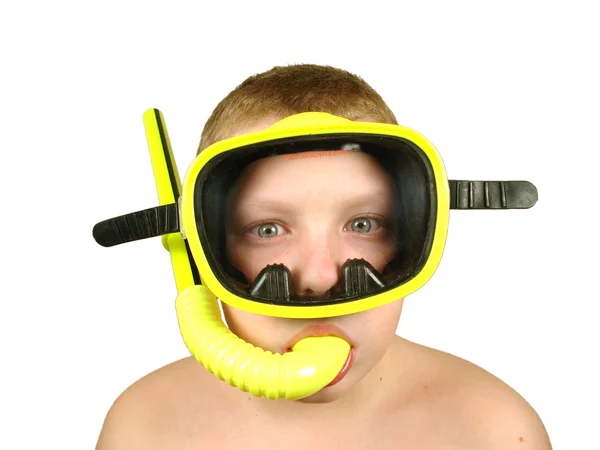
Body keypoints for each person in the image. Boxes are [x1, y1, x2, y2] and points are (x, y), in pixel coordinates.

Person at [95, 64, 552, 449]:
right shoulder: (144, 429)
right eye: (268, 229)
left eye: (363, 224)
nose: (318, 276)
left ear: (413, 232)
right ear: (201, 248)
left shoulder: (494, 432)